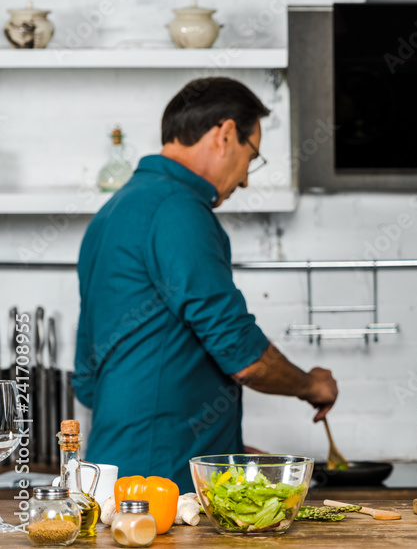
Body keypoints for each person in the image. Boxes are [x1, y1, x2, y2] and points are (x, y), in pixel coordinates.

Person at [74, 77, 338, 492]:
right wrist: (312, 385)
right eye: (252, 157)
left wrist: (224, 447)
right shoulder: (178, 210)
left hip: (115, 473)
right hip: (164, 486)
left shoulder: (113, 211)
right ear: (226, 134)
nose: (247, 180)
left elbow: (87, 378)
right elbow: (242, 355)